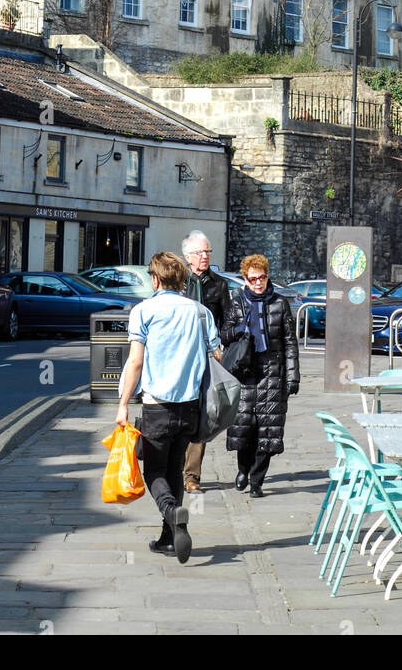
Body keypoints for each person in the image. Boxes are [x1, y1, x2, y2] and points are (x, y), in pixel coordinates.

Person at [116, 250, 221, 563]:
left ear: (155, 278)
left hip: (157, 405)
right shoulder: (201, 312)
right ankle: (168, 538)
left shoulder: (144, 311)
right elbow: (217, 354)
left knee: (155, 471)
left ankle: (171, 510)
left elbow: (135, 361)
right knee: (175, 468)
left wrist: (123, 403)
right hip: (190, 407)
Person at [220, 253, 300, 496]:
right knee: (244, 427)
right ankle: (243, 469)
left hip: (272, 373)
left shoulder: (280, 303)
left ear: (267, 277)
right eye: (253, 278)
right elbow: (224, 335)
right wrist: (239, 327)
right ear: (245, 279)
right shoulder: (237, 302)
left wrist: (292, 375)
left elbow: (289, 342)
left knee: (268, 430)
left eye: (262, 277)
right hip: (244, 373)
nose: (258, 282)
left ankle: (257, 481)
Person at [181, 229, 231, 494]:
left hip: (207, 357)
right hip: (180, 358)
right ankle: (171, 467)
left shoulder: (219, 284)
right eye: (200, 252)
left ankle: (192, 477)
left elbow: (228, 320)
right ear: (188, 257)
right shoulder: (178, 282)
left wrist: (219, 347)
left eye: (208, 252)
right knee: (179, 412)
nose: (205, 257)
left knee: (202, 413)